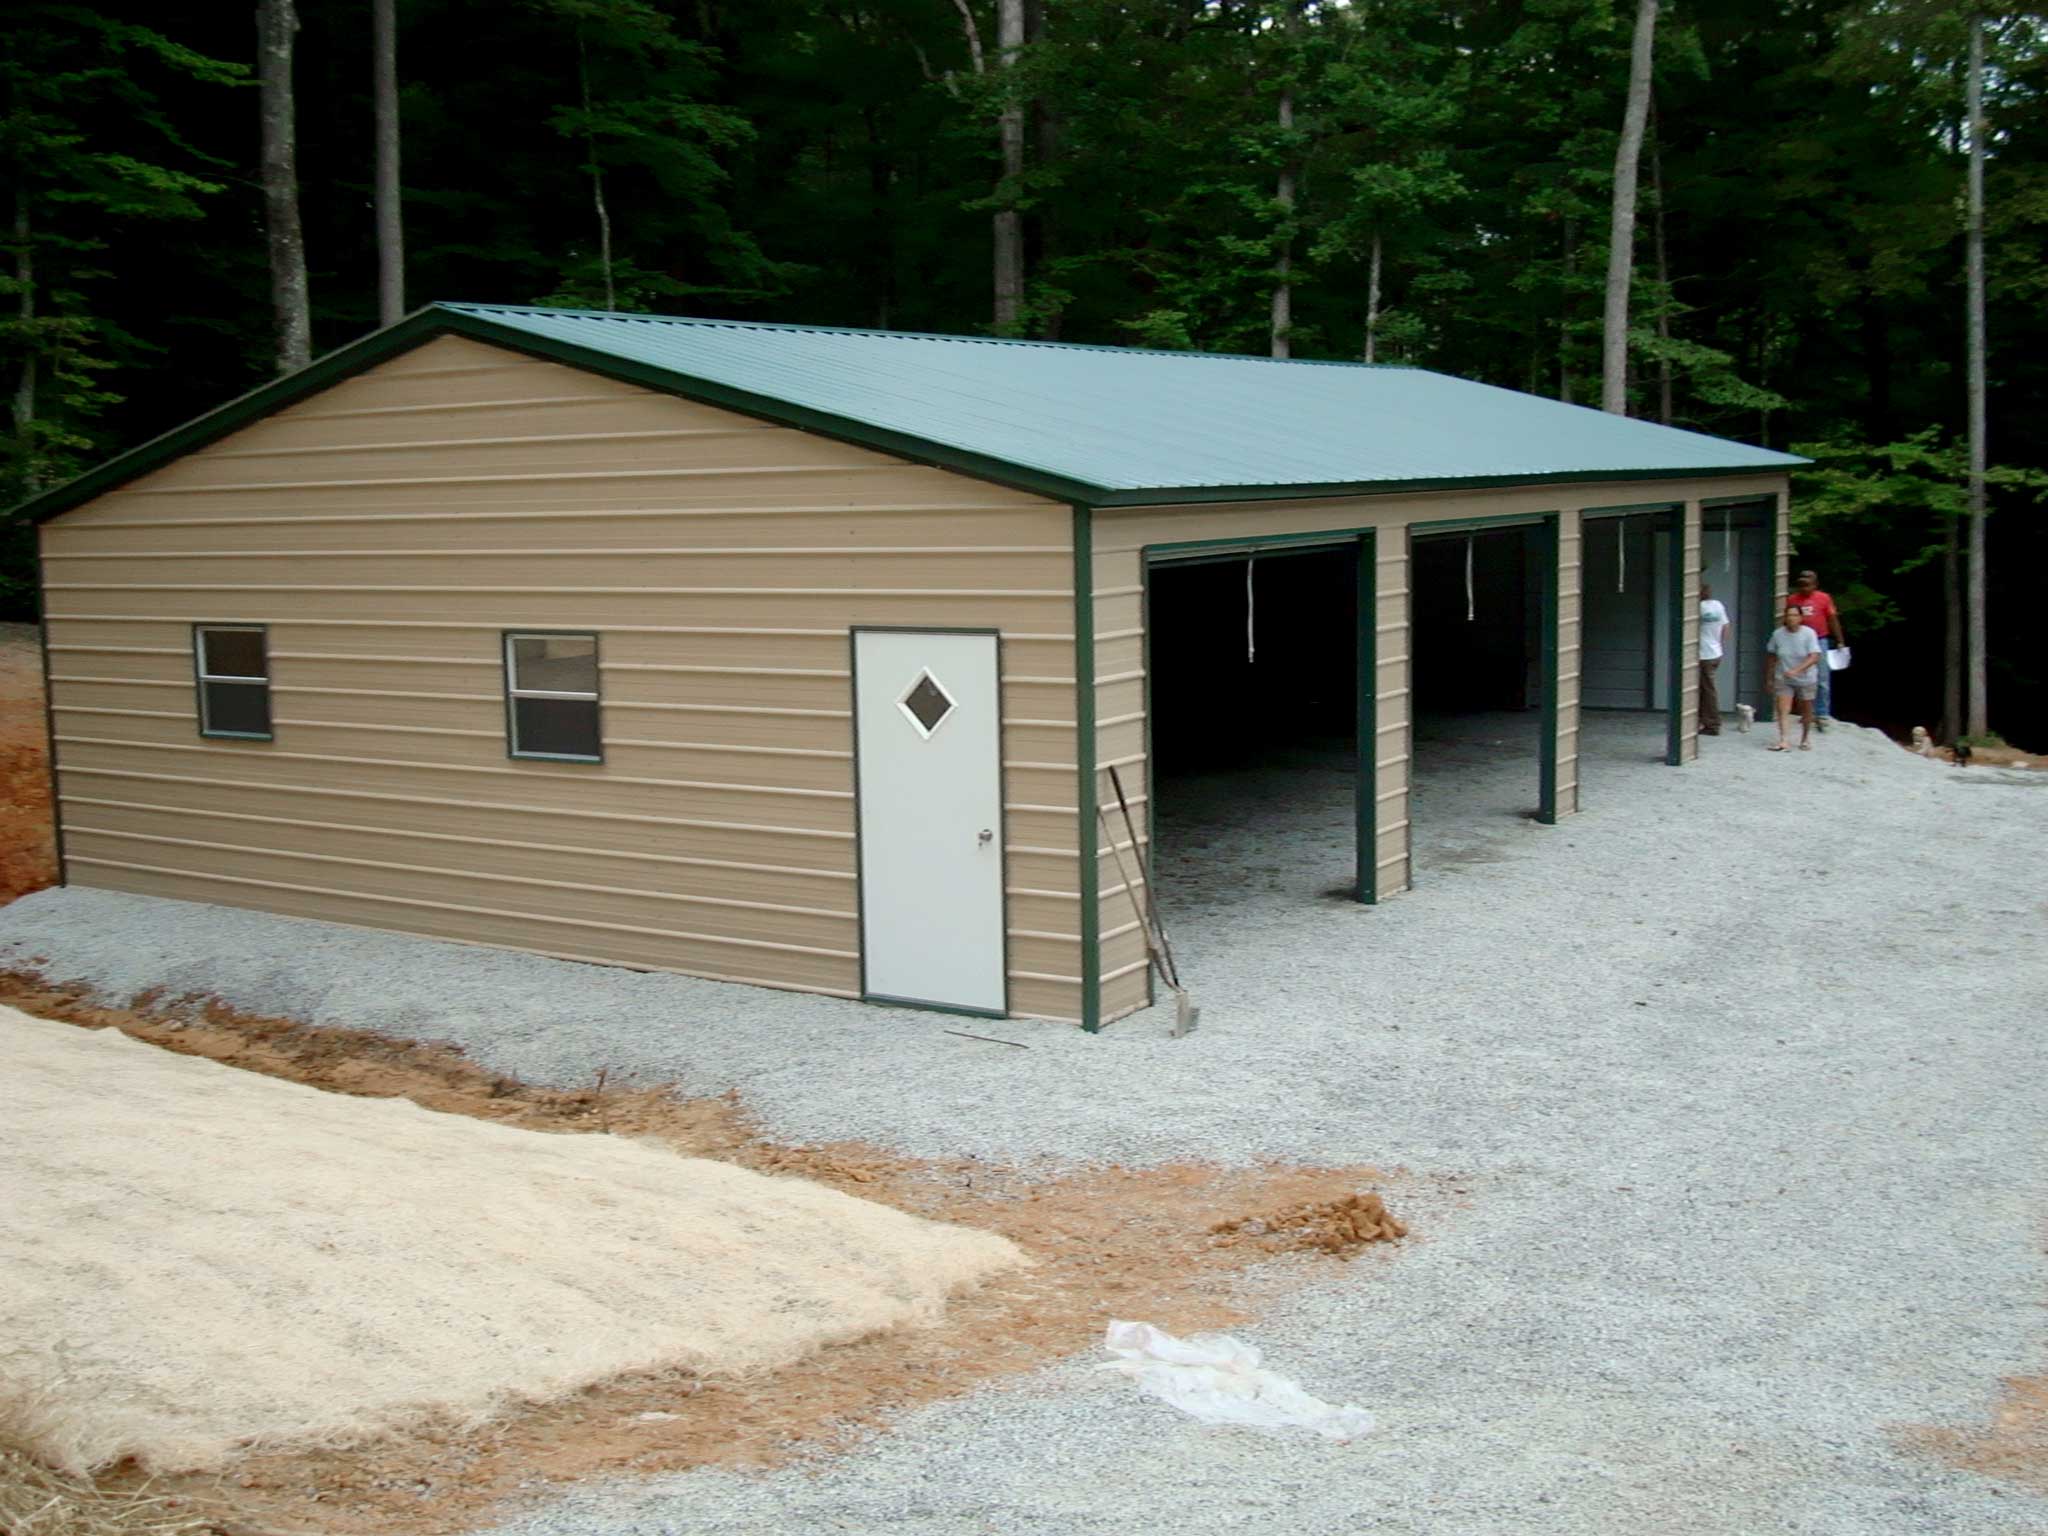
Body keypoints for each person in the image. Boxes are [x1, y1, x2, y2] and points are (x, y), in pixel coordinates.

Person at [1785, 570, 1846, 727]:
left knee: (1822, 678)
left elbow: (1832, 619)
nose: (1804, 588)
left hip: (1820, 640)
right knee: (1801, 677)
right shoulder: (1793, 599)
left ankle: (1822, 713)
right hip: (1799, 640)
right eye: (1801, 585)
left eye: (1807, 585)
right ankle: (1805, 712)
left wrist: (1839, 640)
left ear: (1815, 584)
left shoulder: (1823, 598)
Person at [1763, 603, 1824, 751]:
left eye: (1795, 615)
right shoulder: (1778, 634)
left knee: (1806, 709)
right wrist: (1769, 677)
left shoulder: (1809, 633)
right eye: (1789, 615)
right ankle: (1784, 740)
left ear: (1801, 618)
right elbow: (1771, 655)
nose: (1791, 618)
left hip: (1806, 677)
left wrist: (1797, 670)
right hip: (1784, 676)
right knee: (1783, 708)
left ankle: (1805, 738)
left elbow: (1814, 656)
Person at [1698, 582, 1730, 736]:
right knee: (1706, 689)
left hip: (1703, 655)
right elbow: (1726, 627)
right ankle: (1702, 720)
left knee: (1707, 691)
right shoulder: (1718, 605)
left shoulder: (1698, 608)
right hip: (1715, 653)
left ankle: (1712, 724)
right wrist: (1720, 646)